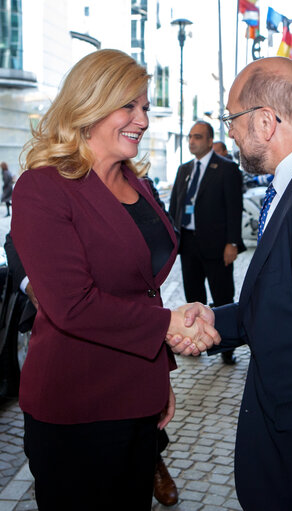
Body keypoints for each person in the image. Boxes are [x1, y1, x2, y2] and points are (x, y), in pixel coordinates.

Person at [11, 49, 219, 511]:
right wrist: (168, 323)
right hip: (77, 407)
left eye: (144, 107)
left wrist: (158, 373)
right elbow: (72, 305)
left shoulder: (137, 183)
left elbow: (142, 291)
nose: (142, 119)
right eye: (129, 105)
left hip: (139, 395)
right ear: (90, 103)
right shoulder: (43, 187)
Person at [169, 56, 292, 510]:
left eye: (232, 119)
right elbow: (287, 306)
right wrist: (212, 320)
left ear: (265, 121)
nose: (231, 133)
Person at [4, 227, 179, 507]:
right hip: (52, 329)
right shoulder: (42, 188)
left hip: (117, 323)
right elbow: (15, 239)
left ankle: (154, 460)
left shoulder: (124, 188)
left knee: (132, 413)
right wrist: (31, 284)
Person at [169, 121, 245, 365]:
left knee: (222, 294)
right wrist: (173, 238)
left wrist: (232, 243)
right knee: (193, 294)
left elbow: (235, 209)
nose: (192, 141)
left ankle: (225, 347)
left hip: (217, 245)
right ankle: (196, 340)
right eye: (190, 137)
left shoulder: (227, 168)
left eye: (198, 137)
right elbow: (175, 207)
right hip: (189, 244)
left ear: (210, 141)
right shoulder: (183, 170)